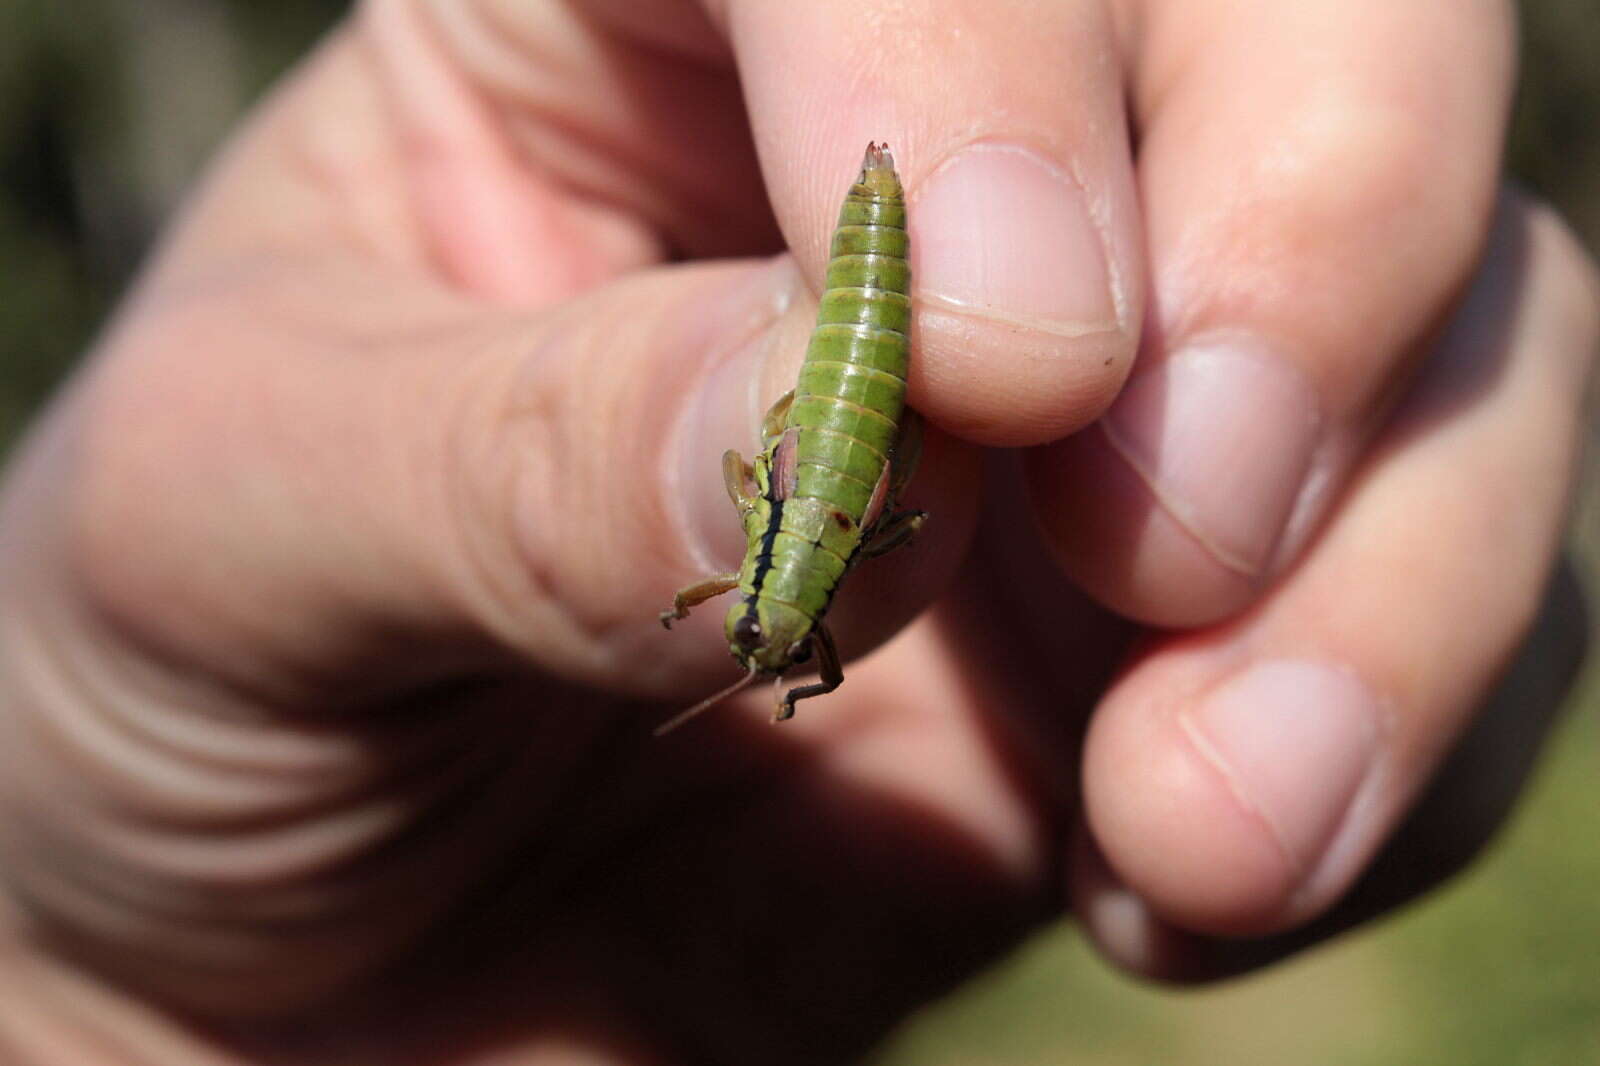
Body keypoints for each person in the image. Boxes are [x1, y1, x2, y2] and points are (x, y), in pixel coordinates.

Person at [0, 1, 1595, 1061]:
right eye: (765, 645)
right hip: (841, 434)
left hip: (846, 400)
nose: (768, 655)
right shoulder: (780, 595)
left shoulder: (770, 582)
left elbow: (795, 576)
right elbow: (796, 594)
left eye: (763, 643)